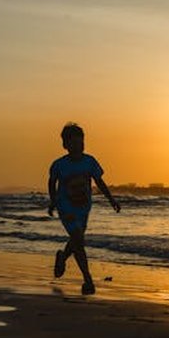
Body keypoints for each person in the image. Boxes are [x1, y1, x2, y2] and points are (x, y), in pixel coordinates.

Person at [48, 122, 120, 295]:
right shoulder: (59, 165)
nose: (78, 146)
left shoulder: (90, 162)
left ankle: (62, 257)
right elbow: (52, 183)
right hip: (66, 207)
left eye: (81, 142)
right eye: (73, 143)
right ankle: (88, 281)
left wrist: (111, 200)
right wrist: (53, 201)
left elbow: (99, 182)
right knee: (78, 240)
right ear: (65, 145)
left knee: (76, 239)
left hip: (84, 208)